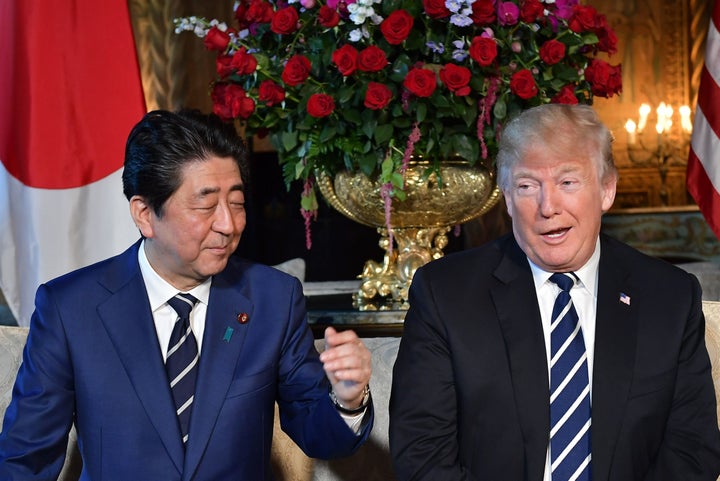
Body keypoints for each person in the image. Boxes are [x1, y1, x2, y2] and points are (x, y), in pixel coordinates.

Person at [0, 109, 373, 480]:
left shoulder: (272, 298)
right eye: (206, 205)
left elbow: (319, 435)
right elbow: (25, 459)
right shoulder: (71, 309)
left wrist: (347, 399)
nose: (228, 224)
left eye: (237, 203)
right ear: (145, 214)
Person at [389, 104, 720, 480]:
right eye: (528, 186)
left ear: (606, 189)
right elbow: (421, 452)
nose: (548, 207)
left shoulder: (669, 298)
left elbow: (693, 450)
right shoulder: (445, 295)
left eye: (567, 182)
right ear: (508, 198)